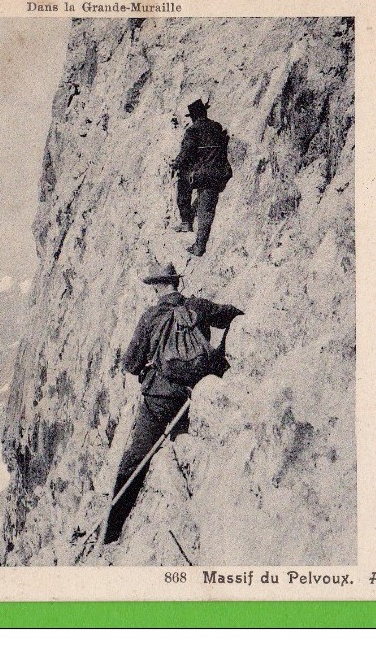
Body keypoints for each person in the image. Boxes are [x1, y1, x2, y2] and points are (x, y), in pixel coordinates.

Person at [103, 262, 243, 543]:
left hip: (160, 397)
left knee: (135, 458)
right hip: (193, 394)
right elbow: (232, 314)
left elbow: (131, 364)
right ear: (176, 284)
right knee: (185, 446)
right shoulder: (198, 306)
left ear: (157, 286)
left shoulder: (151, 316)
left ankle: (112, 530)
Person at [171, 99, 233, 256]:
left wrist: (176, 163)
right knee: (206, 205)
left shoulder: (193, 131)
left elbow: (186, 153)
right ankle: (191, 216)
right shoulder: (216, 127)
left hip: (205, 176)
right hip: (221, 173)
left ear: (193, 117)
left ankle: (190, 228)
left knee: (185, 184)